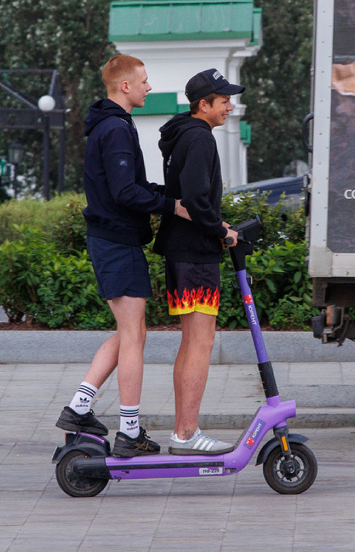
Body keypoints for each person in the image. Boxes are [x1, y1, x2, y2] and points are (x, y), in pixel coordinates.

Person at [56, 55, 190, 457]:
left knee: (130, 332)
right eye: (145, 81)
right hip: (116, 241)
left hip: (112, 239)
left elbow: (129, 183)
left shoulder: (111, 124)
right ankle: (129, 431)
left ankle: (79, 408)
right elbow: (124, 193)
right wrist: (172, 206)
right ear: (125, 87)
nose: (149, 87)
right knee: (134, 336)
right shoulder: (115, 128)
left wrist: (167, 197)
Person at [153, 68, 242, 454]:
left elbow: (192, 200)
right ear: (203, 104)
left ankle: (183, 430)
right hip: (195, 256)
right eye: (223, 101)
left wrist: (214, 222)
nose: (229, 106)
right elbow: (194, 197)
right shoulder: (200, 139)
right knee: (200, 343)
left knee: (191, 342)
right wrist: (220, 231)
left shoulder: (183, 135)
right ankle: (187, 434)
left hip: (181, 251)